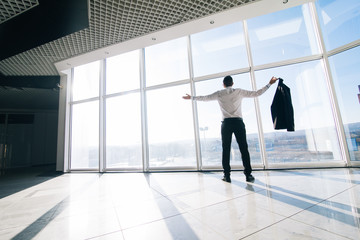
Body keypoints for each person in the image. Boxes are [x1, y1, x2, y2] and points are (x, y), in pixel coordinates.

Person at [183, 75, 278, 183]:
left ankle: (227, 176)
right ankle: (248, 175)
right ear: (232, 83)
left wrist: (191, 97)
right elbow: (257, 93)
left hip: (226, 124)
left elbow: (205, 98)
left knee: (226, 149)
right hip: (238, 122)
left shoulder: (219, 93)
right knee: (243, 149)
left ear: (223, 84)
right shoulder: (239, 91)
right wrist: (269, 84)